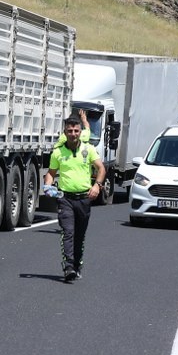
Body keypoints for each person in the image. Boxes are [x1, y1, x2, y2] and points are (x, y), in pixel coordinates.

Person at [44, 115, 105, 284]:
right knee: (68, 232)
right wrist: (48, 186)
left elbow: (101, 168)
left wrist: (97, 186)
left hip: (84, 199)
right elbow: (51, 173)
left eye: (76, 131)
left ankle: (77, 264)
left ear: (80, 132)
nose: (73, 134)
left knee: (79, 235)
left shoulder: (89, 149)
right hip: (65, 199)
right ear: (65, 132)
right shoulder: (58, 152)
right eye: (69, 131)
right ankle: (68, 267)